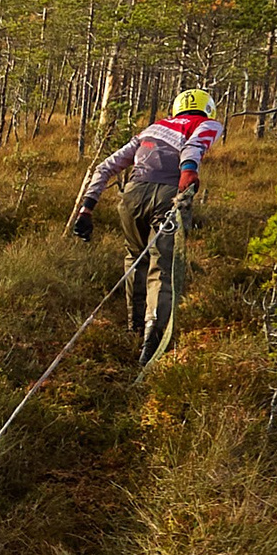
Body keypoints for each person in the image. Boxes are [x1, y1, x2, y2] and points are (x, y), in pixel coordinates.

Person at [70, 89, 225, 366]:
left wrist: (87, 208)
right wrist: (188, 170)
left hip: (132, 196)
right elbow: (194, 147)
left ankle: (134, 326)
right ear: (208, 109)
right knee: (162, 268)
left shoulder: (153, 128)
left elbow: (106, 167)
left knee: (135, 259)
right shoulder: (207, 124)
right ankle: (153, 342)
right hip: (169, 196)